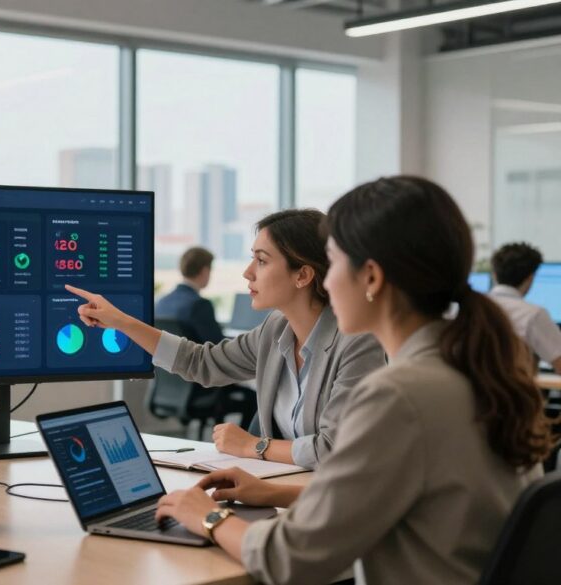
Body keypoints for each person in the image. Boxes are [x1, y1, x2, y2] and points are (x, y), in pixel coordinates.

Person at [154, 176, 552, 585]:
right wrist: (273, 493)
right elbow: (392, 496)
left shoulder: (400, 396)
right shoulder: (473, 369)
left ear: (372, 278)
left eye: (333, 262)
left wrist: (208, 517)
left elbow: (290, 559)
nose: (326, 281)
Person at [67, 209, 385, 470]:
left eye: (261, 260)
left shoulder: (358, 342)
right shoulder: (276, 329)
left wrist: (254, 445)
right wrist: (120, 321)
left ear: (302, 275)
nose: (248, 272)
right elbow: (202, 363)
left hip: (337, 503)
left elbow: (334, 449)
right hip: (289, 488)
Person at [488, 242, 561, 375]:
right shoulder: (533, 314)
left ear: (494, 274)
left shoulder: (472, 308)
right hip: (511, 392)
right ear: (530, 278)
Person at [155, 246, 225, 343]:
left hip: (168, 357)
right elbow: (219, 345)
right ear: (205, 271)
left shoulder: (161, 302)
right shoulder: (200, 305)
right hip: (194, 357)